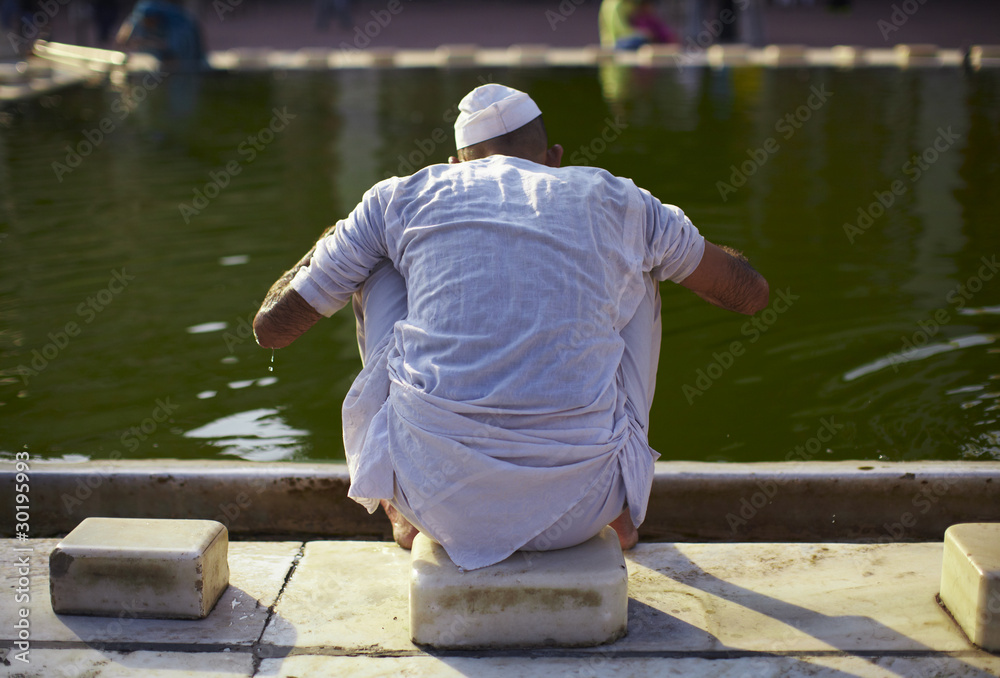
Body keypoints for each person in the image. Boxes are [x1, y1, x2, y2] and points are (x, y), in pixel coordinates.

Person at [254, 84, 768, 571]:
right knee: (641, 261)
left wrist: (339, 237)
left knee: (376, 260)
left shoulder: (401, 197)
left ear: (457, 166)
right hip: (587, 506)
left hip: (437, 503)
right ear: (554, 159)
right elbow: (749, 295)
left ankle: (399, 506)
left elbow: (273, 329)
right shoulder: (619, 199)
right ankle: (624, 514)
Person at [115, 0, 206, 70]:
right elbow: (127, 28)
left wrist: (143, 42)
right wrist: (123, 43)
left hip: (189, 55)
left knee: (184, 69)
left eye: (150, 22)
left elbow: (171, 49)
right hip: (169, 49)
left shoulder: (179, 25)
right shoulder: (144, 12)